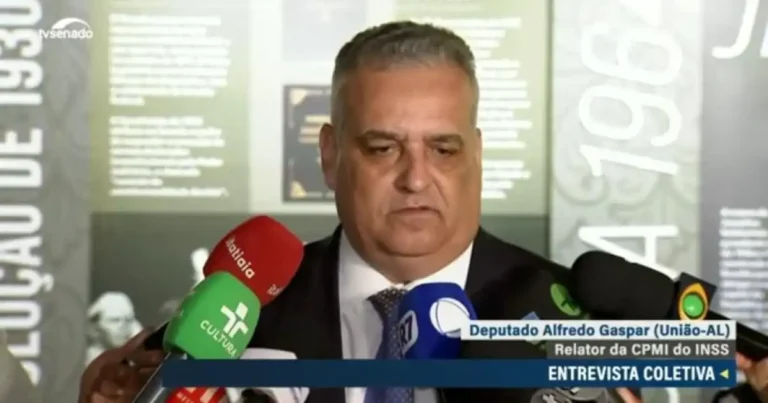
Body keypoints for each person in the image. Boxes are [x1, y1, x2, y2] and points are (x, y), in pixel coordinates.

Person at [79, 21, 768, 403]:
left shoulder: (570, 320)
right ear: (330, 155)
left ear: (477, 154)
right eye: (382, 147)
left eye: (443, 148)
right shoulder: (235, 322)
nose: (415, 177)